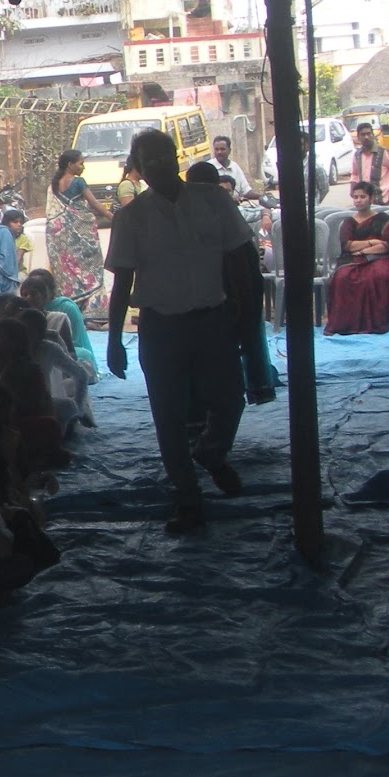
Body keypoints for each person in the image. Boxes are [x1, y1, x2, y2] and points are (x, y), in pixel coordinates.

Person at [105, 127, 255, 534]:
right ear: (137, 168)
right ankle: (188, 498)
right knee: (168, 417)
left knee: (230, 399)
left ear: (177, 157)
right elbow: (121, 283)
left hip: (213, 319)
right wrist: (114, 340)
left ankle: (211, 451)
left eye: (163, 156)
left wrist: (245, 315)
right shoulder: (131, 217)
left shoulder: (213, 200)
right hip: (161, 327)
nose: (158, 165)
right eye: (148, 160)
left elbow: (239, 261)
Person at [324, 183, 389, 337]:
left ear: (371, 198)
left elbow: (386, 246)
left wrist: (363, 250)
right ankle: (345, 324)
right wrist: (372, 242)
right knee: (342, 277)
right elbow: (347, 246)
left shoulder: (384, 220)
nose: (358, 200)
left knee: (380, 274)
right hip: (351, 259)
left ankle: (377, 323)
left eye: (362, 197)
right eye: (356, 197)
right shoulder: (349, 222)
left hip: (380, 258)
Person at [45, 149, 112, 316]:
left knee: (69, 270)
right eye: (81, 163)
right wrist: (113, 217)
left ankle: (72, 309)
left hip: (63, 239)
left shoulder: (54, 185)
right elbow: (94, 203)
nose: (83, 167)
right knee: (91, 270)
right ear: (70, 165)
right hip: (83, 235)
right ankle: (92, 312)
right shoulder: (78, 182)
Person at [349, 122, 389, 205]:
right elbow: (354, 174)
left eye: (368, 134)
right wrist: (352, 189)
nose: (366, 137)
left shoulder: (383, 152)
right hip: (366, 202)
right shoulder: (357, 155)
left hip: (384, 200)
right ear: (358, 137)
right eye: (363, 135)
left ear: (373, 135)